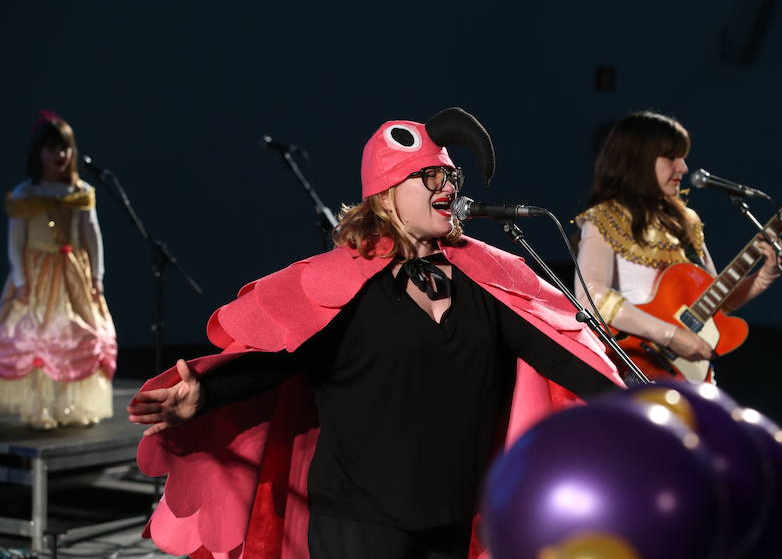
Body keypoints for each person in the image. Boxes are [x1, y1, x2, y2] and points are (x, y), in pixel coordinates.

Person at [127, 108, 624, 559]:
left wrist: (647, 410)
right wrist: (205, 394)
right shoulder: (341, 284)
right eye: (429, 176)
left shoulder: (487, 281)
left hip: (453, 518)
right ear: (385, 192)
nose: (446, 186)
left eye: (450, 175)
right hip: (357, 521)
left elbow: (562, 358)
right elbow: (278, 359)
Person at [574, 110, 780, 383]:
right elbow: (592, 296)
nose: (683, 167)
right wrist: (671, 336)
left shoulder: (687, 220)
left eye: (682, 157)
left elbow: (713, 302)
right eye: (671, 158)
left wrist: (761, 279)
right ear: (639, 161)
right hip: (634, 368)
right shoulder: (604, 219)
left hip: (690, 375)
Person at [0, 110, 117, 429]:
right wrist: (22, 282)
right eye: (52, 148)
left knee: (78, 335)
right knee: (39, 337)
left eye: (65, 148)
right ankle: (40, 408)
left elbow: (93, 236)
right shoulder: (26, 194)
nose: (60, 155)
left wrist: (97, 276)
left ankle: (73, 407)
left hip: (73, 274)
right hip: (38, 275)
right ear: (39, 153)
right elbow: (15, 242)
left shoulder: (78, 191)